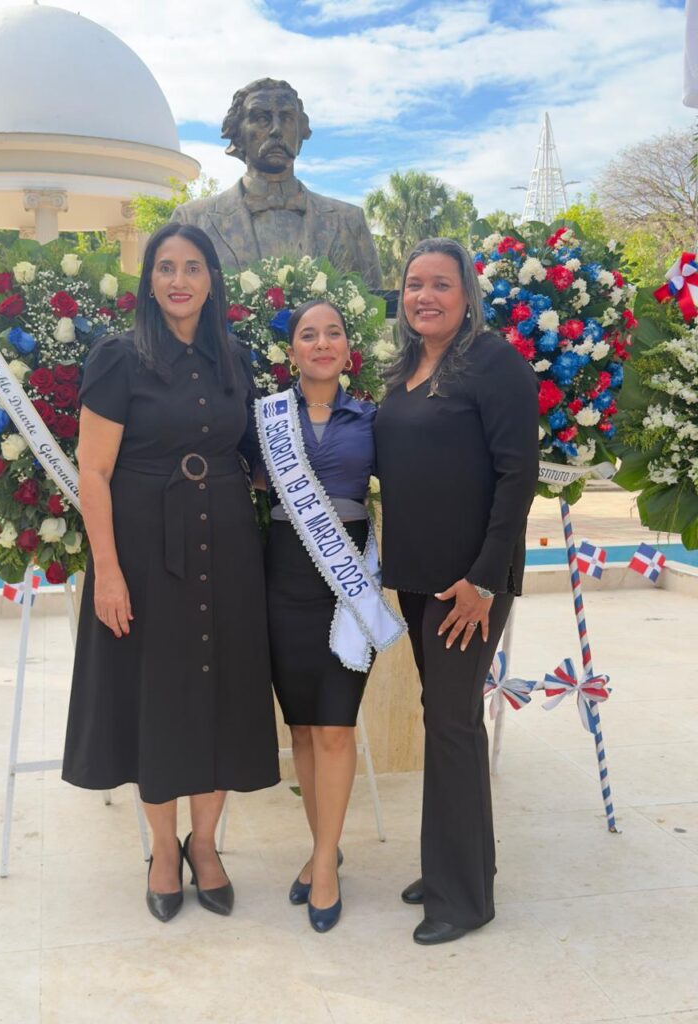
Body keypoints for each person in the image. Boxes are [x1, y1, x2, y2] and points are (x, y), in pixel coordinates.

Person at [62, 223, 279, 923]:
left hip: (229, 547)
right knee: (155, 698)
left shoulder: (234, 359)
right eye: (165, 267)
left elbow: (256, 453)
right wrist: (109, 574)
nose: (179, 279)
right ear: (149, 281)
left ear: (212, 279)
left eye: (192, 266)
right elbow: (92, 472)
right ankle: (162, 849)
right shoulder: (118, 358)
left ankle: (206, 844)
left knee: (219, 693)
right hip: (145, 551)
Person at [374, 238, 538, 945]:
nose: (425, 297)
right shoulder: (407, 366)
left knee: (450, 722)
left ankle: (464, 897)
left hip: (467, 584)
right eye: (414, 285)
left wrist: (482, 578)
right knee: (444, 717)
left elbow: (517, 475)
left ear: (467, 293)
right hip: (417, 578)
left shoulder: (494, 363)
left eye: (441, 284)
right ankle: (454, 863)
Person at [257, 299, 404, 933]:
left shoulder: (375, 420)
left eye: (333, 333)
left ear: (349, 348)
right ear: (290, 350)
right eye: (307, 335)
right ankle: (326, 849)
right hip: (282, 578)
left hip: (347, 584)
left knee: (336, 727)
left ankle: (322, 865)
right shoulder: (263, 418)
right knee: (303, 730)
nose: (321, 343)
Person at [171, 78, 382, 289]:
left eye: (287, 118)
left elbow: (376, 311)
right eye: (262, 118)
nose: (276, 130)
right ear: (238, 134)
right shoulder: (193, 220)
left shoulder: (348, 221)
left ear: (301, 132)